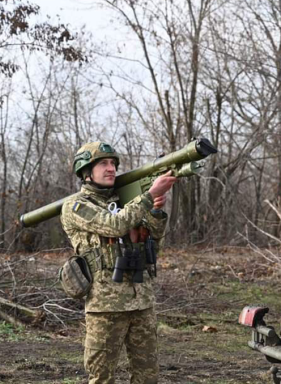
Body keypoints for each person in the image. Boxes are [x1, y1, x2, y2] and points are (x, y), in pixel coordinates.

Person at [61, 141, 176, 384]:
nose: (111, 168)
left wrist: (155, 212)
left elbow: (153, 245)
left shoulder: (128, 202)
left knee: (148, 376)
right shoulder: (76, 206)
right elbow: (113, 225)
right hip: (105, 307)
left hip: (141, 301)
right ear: (86, 172)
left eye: (113, 163)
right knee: (102, 377)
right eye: (103, 163)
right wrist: (149, 195)